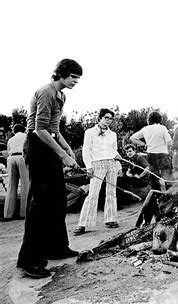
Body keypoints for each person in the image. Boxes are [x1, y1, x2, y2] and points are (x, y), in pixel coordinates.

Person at [17, 59, 81, 279]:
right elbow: (39, 130)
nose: (75, 81)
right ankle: (30, 262)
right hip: (37, 147)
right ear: (61, 74)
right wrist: (62, 156)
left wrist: (67, 149)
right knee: (40, 205)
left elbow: (54, 129)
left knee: (57, 200)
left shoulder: (61, 95)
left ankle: (57, 248)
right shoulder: (46, 92)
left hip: (48, 143)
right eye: (73, 76)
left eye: (78, 78)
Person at [73, 108, 121, 236]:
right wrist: (88, 166)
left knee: (111, 192)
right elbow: (86, 150)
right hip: (97, 164)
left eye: (111, 118)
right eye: (106, 118)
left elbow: (114, 151)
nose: (108, 121)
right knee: (93, 194)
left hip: (111, 163)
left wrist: (119, 164)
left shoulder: (113, 134)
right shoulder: (90, 132)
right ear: (99, 118)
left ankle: (111, 219)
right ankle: (83, 224)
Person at [130, 111, 172, 190]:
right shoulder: (162, 128)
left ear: (149, 120)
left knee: (154, 176)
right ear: (159, 119)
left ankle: (156, 195)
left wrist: (143, 144)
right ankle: (167, 195)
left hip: (151, 155)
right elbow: (169, 142)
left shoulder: (145, 129)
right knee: (166, 176)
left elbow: (132, 138)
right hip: (162, 154)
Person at [3, 124, 29, 221]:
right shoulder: (26, 136)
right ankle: (24, 213)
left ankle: (8, 214)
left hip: (11, 158)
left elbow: (9, 150)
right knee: (25, 185)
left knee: (11, 186)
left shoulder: (11, 140)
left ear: (14, 131)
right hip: (22, 157)